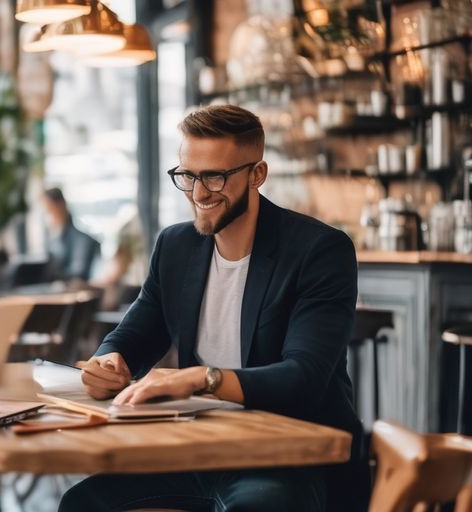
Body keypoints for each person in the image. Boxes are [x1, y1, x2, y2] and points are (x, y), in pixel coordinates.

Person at [61, 105, 367, 511]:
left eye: (215, 177)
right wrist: (108, 362)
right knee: (81, 503)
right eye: (187, 175)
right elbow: (132, 335)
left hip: (289, 456)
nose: (198, 193)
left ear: (257, 174)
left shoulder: (318, 251)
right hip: (199, 449)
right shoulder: (175, 247)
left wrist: (198, 379)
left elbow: (303, 379)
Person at [42, 187, 100, 283]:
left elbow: (79, 273)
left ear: (61, 205)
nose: (48, 215)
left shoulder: (82, 240)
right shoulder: (52, 239)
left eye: (50, 209)